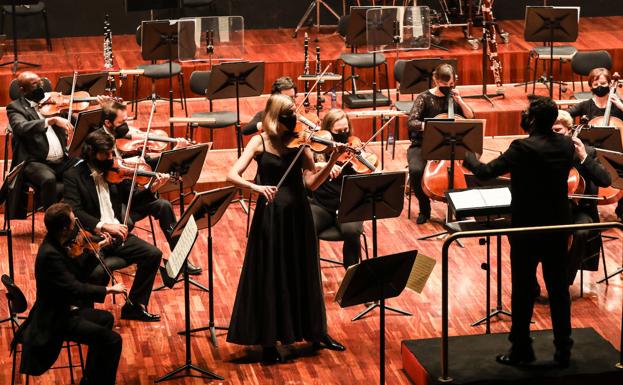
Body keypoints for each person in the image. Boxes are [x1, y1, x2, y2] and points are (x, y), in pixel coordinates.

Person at [226, 94, 346, 363]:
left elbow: (312, 183)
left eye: (295, 113)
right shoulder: (259, 142)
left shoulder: (301, 142)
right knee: (271, 272)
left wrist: (330, 162)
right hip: (270, 215)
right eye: (289, 114)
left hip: (298, 215)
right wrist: (255, 187)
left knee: (304, 271)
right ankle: (269, 341)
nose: (295, 119)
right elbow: (231, 175)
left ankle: (316, 333)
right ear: (274, 116)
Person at [463, 96, 575, 367]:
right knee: (559, 290)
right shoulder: (566, 144)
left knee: (523, 290)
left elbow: (487, 172)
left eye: (526, 112)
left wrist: (467, 156)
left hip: (527, 228)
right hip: (559, 227)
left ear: (533, 119)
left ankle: (522, 350)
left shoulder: (522, 147)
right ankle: (563, 350)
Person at [12, 203, 123, 385]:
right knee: (113, 341)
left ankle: (91, 380)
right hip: (55, 319)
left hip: (63, 309)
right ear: (65, 228)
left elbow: (75, 272)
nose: (76, 225)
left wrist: (96, 249)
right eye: (73, 222)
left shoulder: (56, 243)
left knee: (106, 319)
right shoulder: (50, 255)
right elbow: (75, 287)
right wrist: (109, 289)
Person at [63, 130, 163, 322]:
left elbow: (133, 200)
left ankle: (134, 306)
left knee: (153, 254)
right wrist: (103, 226)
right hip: (92, 238)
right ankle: (85, 316)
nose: (111, 158)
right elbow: (74, 211)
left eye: (112, 153)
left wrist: (152, 190)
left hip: (118, 236)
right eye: (105, 154)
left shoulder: (115, 172)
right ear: (91, 153)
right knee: (94, 273)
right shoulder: (73, 175)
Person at [98, 100, 201, 275]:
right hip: (113, 198)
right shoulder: (100, 141)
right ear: (108, 123)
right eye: (121, 123)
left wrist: (174, 152)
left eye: (126, 121)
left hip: (131, 191)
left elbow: (144, 162)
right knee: (127, 221)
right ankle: (116, 252)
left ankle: (181, 260)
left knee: (164, 206)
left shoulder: (122, 138)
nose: (127, 127)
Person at [407, 63, 474, 224]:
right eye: (444, 85)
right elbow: (412, 122)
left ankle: (460, 208)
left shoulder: (454, 97)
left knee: (470, 168)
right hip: (424, 144)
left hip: (452, 144)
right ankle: (425, 208)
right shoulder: (424, 98)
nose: (448, 88)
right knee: (416, 170)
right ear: (435, 80)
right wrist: (431, 127)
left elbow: (470, 118)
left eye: (451, 84)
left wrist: (460, 100)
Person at [6, 71, 76, 219]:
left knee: (84, 166)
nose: (40, 87)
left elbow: (78, 120)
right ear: (22, 90)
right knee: (48, 179)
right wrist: (50, 121)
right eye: (34, 84)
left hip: (61, 160)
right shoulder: (15, 107)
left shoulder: (54, 102)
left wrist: (101, 106)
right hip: (34, 161)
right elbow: (20, 127)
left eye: (41, 83)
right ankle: (54, 224)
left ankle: (81, 216)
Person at [553, 110, 611, 285]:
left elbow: (605, 180)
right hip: (551, 210)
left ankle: (563, 282)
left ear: (569, 131)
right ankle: (531, 286)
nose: (553, 135)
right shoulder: (544, 151)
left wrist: (584, 157)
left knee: (581, 231)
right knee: (517, 231)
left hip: (580, 210)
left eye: (558, 131)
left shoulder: (589, 152)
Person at [309, 109, 364, 269]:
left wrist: (365, 164)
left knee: (352, 231)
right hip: (321, 205)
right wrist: (325, 167)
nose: (343, 134)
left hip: (348, 205)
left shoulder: (354, 146)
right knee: (306, 227)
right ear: (328, 130)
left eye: (346, 130)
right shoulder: (318, 150)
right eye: (338, 131)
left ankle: (351, 275)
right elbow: (308, 173)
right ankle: (311, 274)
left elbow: (367, 169)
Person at [567, 67, 623, 219]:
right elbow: (566, 114)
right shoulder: (586, 105)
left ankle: (621, 212)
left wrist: (620, 105)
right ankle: (588, 209)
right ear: (590, 86)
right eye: (596, 83)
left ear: (610, 84)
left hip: (617, 153)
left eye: (604, 83)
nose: (600, 86)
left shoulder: (619, 105)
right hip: (590, 153)